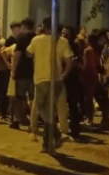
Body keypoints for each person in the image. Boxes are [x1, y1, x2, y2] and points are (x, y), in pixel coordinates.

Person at [26, 17, 74, 150]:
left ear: (44, 26)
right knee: (52, 110)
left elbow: (28, 54)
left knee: (43, 110)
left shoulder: (36, 40)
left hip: (41, 79)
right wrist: (63, 75)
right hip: (57, 79)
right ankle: (48, 142)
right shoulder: (63, 41)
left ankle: (56, 135)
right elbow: (69, 61)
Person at [10, 18, 36, 130]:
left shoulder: (21, 37)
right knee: (33, 98)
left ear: (24, 26)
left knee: (20, 97)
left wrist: (13, 70)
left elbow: (17, 55)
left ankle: (17, 120)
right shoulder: (36, 37)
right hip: (34, 71)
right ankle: (33, 121)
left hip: (22, 71)